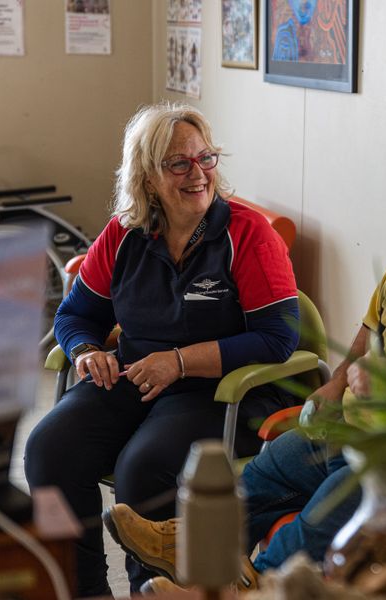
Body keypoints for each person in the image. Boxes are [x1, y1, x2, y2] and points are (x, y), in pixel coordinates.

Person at [102, 102, 386, 593]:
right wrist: (334, 385)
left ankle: (251, 587)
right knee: (263, 475)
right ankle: (189, 549)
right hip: (369, 432)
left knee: (315, 525)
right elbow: (367, 335)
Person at [24, 103, 300, 597]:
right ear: (148, 178)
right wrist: (86, 349)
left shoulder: (247, 233)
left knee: (143, 467)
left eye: (206, 159)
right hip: (137, 378)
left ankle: (149, 592)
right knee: (48, 450)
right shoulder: (125, 233)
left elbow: (278, 338)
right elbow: (74, 315)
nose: (198, 174)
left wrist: (179, 362)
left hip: (221, 391)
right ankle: (82, 588)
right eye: (179, 164)